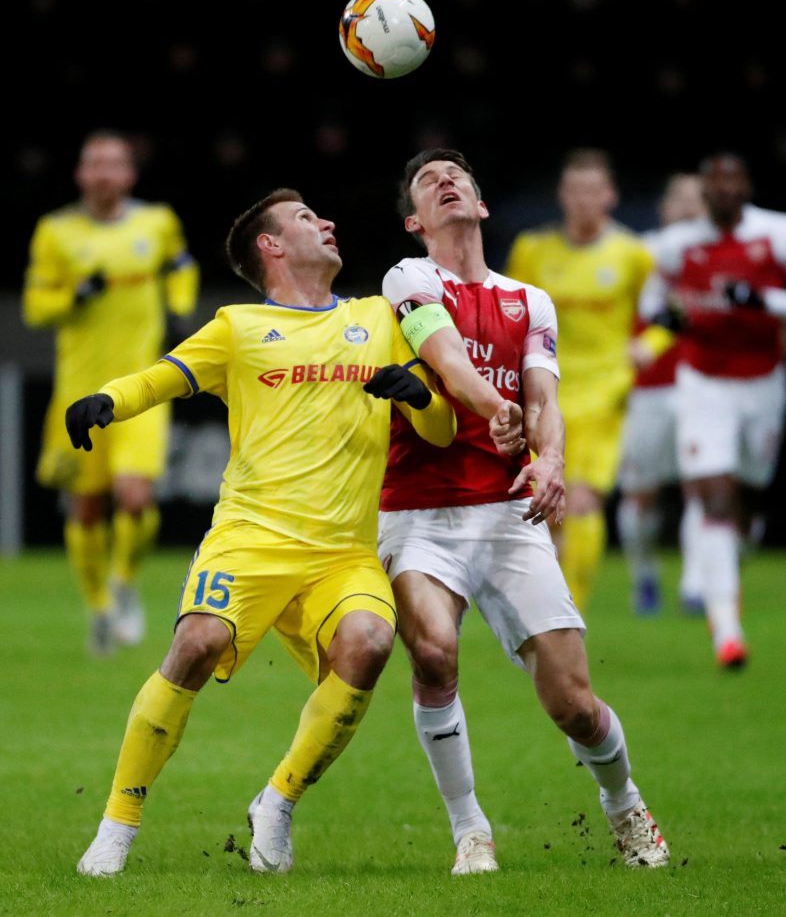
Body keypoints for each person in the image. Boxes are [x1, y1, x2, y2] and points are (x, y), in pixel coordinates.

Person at [72, 188, 464, 877]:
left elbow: (441, 429)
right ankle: (118, 823)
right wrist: (108, 399)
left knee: (371, 643)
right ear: (271, 245)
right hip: (250, 538)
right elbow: (162, 379)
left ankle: (278, 801)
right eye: (309, 218)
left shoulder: (379, 317)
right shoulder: (240, 325)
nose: (329, 222)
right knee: (196, 642)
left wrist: (422, 397)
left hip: (342, 552)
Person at [376, 149, 669, 875]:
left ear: (479, 202)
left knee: (573, 701)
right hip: (420, 512)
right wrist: (495, 406)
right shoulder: (409, 279)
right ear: (417, 220)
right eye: (427, 182)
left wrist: (552, 461)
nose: (445, 183)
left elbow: (543, 397)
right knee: (435, 653)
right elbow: (445, 359)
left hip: (510, 514)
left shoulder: (529, 298)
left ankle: (624, 804)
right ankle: (469, 827)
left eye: (457, 177)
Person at [22, 130, 199, 654]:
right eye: (94, 163)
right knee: (85, 511)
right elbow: (35, 307)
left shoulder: (157, 223)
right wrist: (73, 295)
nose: (103, 173)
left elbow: (182, 266)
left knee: (135, 495)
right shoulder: (55, 232)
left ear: (129, 174)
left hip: (139, 389)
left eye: (113, 163)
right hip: (78, 393)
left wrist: (180, 308)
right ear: (80, 174)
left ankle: (124, 583)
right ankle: (97, 605)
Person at [504, 149, 654, 610]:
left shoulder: (633, 255)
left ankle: (571, 608)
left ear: (609, 196)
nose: (584, 200)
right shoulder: (532, 250)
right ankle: (547, 602)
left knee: (584, 499)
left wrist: (653, 345)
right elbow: (510, 313)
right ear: (562, 196)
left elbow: (673, 312)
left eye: (593, 190)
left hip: (606, 393)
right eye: (575, 190)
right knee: (547, 506)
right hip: (546, 392)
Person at [654, 153, 786, 667]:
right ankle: (726, 631)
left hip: (762, 381)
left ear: (747, 186)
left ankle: (731, 562)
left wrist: (760, 301)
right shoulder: (676, 245)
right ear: (705, 192)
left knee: (748, 497)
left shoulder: (774, 233)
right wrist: (672, 317)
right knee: (713, 496)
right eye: (716, 183)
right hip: (702, 380)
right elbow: (653, 305)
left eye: (734, 181)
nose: (725, 190)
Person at [617, 173, 707, 614]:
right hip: (648, 390)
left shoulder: (717, 257)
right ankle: (645, 576)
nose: (689, 206)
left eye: (698, 199)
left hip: (703, 387)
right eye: (680, 198)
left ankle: (695, 583)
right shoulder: (639, 255)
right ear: (664, 206)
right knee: (641, 493)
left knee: (702, 486)